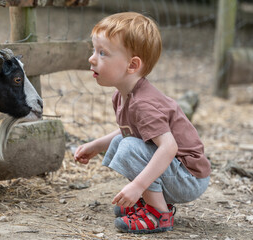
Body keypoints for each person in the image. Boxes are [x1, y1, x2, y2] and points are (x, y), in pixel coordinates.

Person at [74, 12, 211, 234]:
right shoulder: (122, 95)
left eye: (102, 53)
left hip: (189, 178)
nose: (92, 58)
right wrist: (96, 145)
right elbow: (127, 131)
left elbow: (169, 147)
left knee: (129, 147)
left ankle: (158, 214)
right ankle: (150, 200)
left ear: (132, 65)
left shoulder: (144, 104)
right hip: (176, 170)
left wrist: (137, 186)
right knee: (125, 142)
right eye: (94, 50)